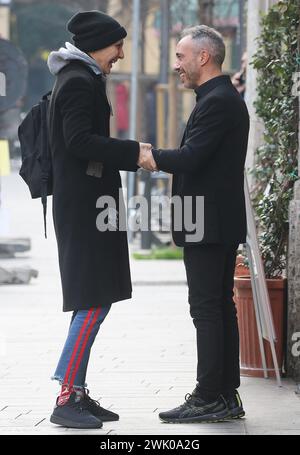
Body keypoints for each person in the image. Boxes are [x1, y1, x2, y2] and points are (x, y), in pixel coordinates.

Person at [47, 10, 151, 429]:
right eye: (117, 46)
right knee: (92, 300)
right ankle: (66, 396)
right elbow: (78, 141)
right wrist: (134, 153)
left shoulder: (83, 77)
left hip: (91, 204)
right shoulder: (76, 80)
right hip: (84, 208)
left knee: (95, 297)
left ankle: (77, 392)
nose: (121, 55)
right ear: (97, 45)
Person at [140, 25, 249, 423]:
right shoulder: (218, 98)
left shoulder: (218, 100)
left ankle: (208, 397)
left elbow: (193, 157)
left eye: (181, 56)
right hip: (213, 220)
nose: (176, 65)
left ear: (204, 57)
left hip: (208, 222)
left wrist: (150, 157)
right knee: (219, 307)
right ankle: (225, 395)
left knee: (207, 308)